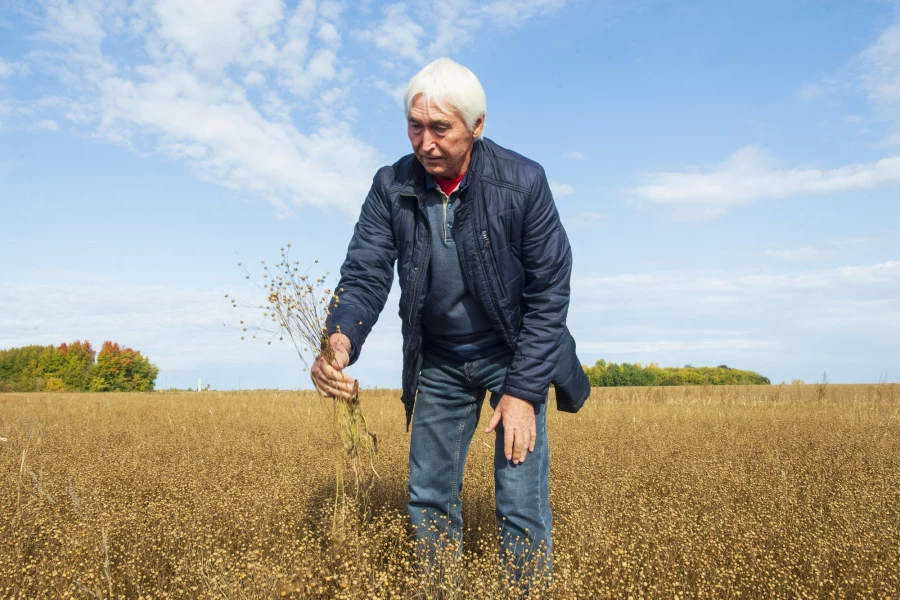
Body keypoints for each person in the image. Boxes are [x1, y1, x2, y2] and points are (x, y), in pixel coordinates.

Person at [311, 57, 590, 580]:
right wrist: (339, 341)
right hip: (438, 359)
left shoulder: (523, 182)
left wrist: (525, 392)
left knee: (520, 503)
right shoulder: (390, 185)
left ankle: (525, 591)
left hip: (515, 354)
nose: (425, 142)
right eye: (415, 126)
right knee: (430, 497)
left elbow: (550, 292)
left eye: (440, 128)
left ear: (477, 126)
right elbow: (365, 272)